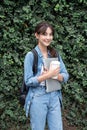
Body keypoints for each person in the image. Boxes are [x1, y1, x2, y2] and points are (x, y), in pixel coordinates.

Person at [24, 21, 69, 130]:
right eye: (44, 34)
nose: (48, 37)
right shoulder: (31, 56)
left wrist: (56, 76)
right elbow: (28, 81)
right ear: (37, 35)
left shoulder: (54, 54)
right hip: (38, 97)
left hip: (54, 96)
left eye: (50, 34)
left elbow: (65, 75)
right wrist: (47, 75)